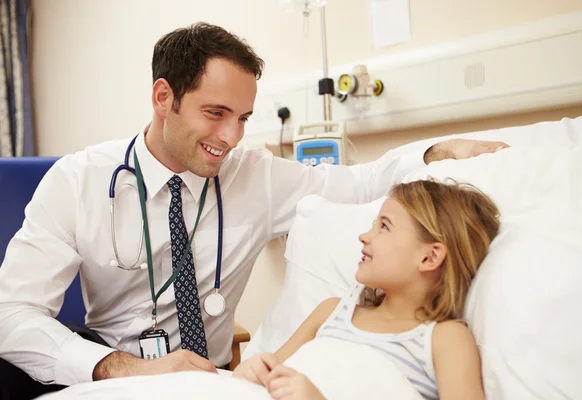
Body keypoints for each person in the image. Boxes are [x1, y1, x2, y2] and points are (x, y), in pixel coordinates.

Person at [0, 21, 507, 400]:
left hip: (214, 378)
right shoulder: (78, 181)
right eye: (215, 114)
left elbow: (358, 182)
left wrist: (436, 151)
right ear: (163, 97)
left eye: (242, 117)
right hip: (115, 373)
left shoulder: (257, 175)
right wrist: (121, 367)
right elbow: (10, 316)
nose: (231, 137)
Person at [233, 179, 501, 400]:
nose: (365, 236)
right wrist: (253, 372)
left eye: (384, 226)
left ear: (429, 258)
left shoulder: (445, 338)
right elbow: (272, 373)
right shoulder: (330, 312)